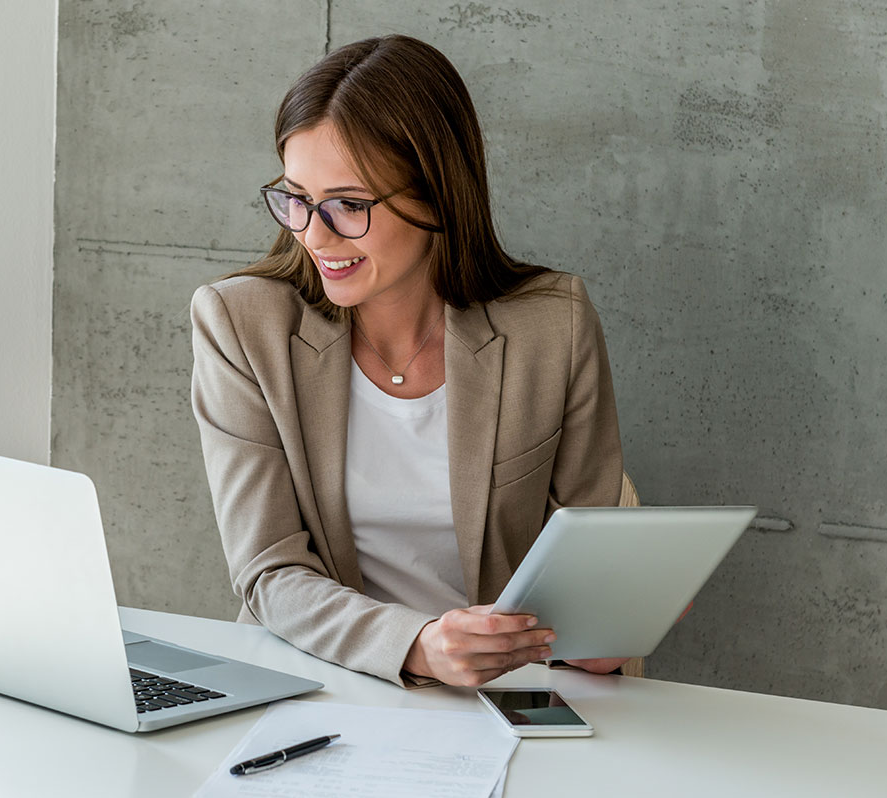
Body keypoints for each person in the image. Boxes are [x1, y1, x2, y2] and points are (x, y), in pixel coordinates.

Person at [189, 35, 630, 689]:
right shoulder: (241, 325)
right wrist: (417, 645)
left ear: (436, 196)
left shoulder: (552, 326)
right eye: (296, 197)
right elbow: (268, 573)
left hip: (504, 698)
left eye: (348, 204)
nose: (313, 234)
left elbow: (589, 568)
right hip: (324, 682)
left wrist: (604, 627)